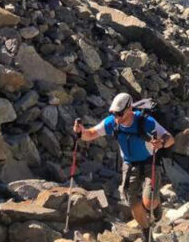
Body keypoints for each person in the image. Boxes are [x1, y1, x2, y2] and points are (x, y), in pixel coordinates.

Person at [73, 93, 175, 229]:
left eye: (119, 114)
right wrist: (80, 132)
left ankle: (156, 207)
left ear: (129, 110)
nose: (116, 117)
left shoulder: (146, 121)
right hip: (129, 164)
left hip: (149, 161)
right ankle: (146, 230)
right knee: (132, 202)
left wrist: (161, 143)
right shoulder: (112, 122)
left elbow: (170, 139)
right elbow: (90, 134)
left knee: (148, 202)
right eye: (113, 114)